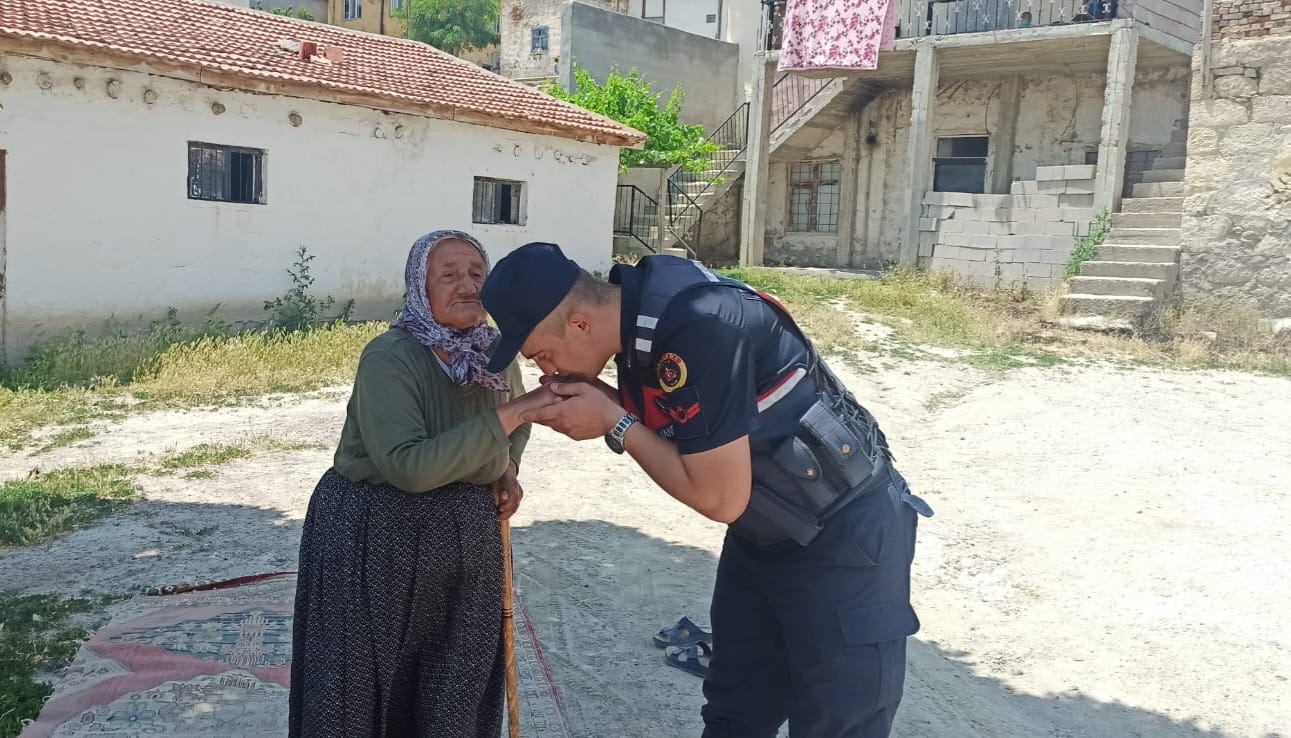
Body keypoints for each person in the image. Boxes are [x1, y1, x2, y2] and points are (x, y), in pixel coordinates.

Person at [480, 243, 933, 738]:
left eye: (544, 354)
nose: (548, 371)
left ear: (580, 323)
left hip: (846, 539)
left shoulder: (697, 325)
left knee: (837, 720)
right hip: (765, 535)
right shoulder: (640, 312)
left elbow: (720, 497)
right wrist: (610, 403)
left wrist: (615, 422)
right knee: (737, 710)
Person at [289, 231, 557, 738]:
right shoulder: (390, 356)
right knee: (360, 683)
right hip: (375, 529)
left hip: (466, 532)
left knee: (455, 674)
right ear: (419, 285)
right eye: (449, 275)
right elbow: (408, 466)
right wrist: (513, 414)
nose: (467, 286)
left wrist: (506, 468)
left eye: (478, 274)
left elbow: (514, 428)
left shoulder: (495, 350)